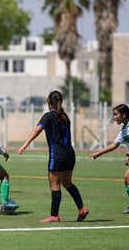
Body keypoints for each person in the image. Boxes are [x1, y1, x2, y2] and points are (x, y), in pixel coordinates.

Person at [18, 90, 88, 222]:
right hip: (70, 155)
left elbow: (37, 130)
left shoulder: (48, 116)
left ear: (49, 102)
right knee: (67, 183)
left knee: (55, 186)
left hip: (57, 155)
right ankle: (81, 208)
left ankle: (54, 215)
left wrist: (25, 144)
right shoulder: (65, 117)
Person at [90, 103, 129, 214]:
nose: (114, 117)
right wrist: (100, 153)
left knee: (128, 175)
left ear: (124, 115)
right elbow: (115, 145)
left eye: (116, 114)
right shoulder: (124, 129)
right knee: (127, 179)